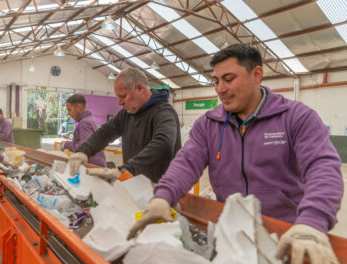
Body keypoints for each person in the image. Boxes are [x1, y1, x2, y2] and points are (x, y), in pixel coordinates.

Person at [128, 44, 343, 263]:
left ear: (256, 74)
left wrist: (312, 222)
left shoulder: (297, 117)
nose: (220, 89)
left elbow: (323, 169)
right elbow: (186, 162)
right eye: (216, 81)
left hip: (285, 237)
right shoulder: (209, 124)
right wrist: (163, 196)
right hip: (231, 235)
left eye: (228, 79)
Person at [68, 67, 181, 183]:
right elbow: (105, 133)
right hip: (135, 185)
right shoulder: (127, 114)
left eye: (123, 96)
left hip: (161, 189)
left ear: (139, 88)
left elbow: (164, 144)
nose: (119, 102)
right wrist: (83, 151)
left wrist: (127, 169)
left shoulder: (164, 113)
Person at [60, 94, 106, 167]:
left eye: (69, 109)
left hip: (91, 166)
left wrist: (66, 144)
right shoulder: (93, 120)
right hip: (99, 163)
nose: (68, 113)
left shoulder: (84, 123)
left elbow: (83, 148)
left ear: (78, 107)